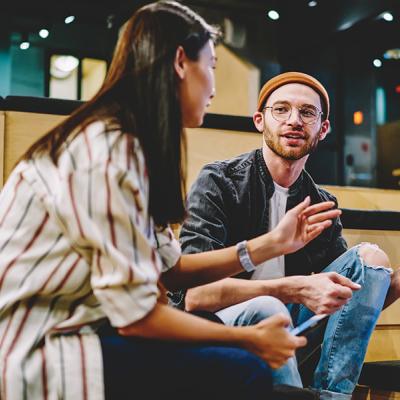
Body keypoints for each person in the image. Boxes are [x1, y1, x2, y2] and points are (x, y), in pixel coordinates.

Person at [0, 4, 342, 400]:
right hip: (41, 350)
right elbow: (137, 317)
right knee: (242, 370)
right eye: (211, 65)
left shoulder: (130, 145)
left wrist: (271, 244)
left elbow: (171, 269)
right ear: (181, 62)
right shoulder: (106, 150)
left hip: (89, 332)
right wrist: (247, 340)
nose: (214, 85)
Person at [179, 71, 396, 399]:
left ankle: (330, 394)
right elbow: (195, 297)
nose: (294, 120)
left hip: (291, 333)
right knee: (268, 306)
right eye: (281, 109)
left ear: (322, 129)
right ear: (259, 120)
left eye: (307, 112)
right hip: (215, 329)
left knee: (373, 262)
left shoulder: (320, 202)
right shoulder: (219, 181)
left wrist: (380, 288)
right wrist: (293, 289)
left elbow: (341, 298)